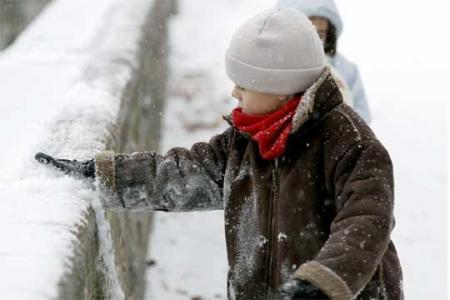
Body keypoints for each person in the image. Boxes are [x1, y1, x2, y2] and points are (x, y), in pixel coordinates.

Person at [35, 7, 403, 300]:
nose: (234, 94)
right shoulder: (247, 140)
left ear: (280, 88)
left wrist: (325, 282)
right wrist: (105, 175)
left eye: (244, 84)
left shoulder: (350, 144)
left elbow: (367, 221)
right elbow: (182, 174)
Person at [277, 0, 372, 124]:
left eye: (320, 34)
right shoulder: (274, 66)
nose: (315, 40)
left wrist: (335, 123)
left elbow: (362, 113)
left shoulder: (346, 69)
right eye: (309, 33)